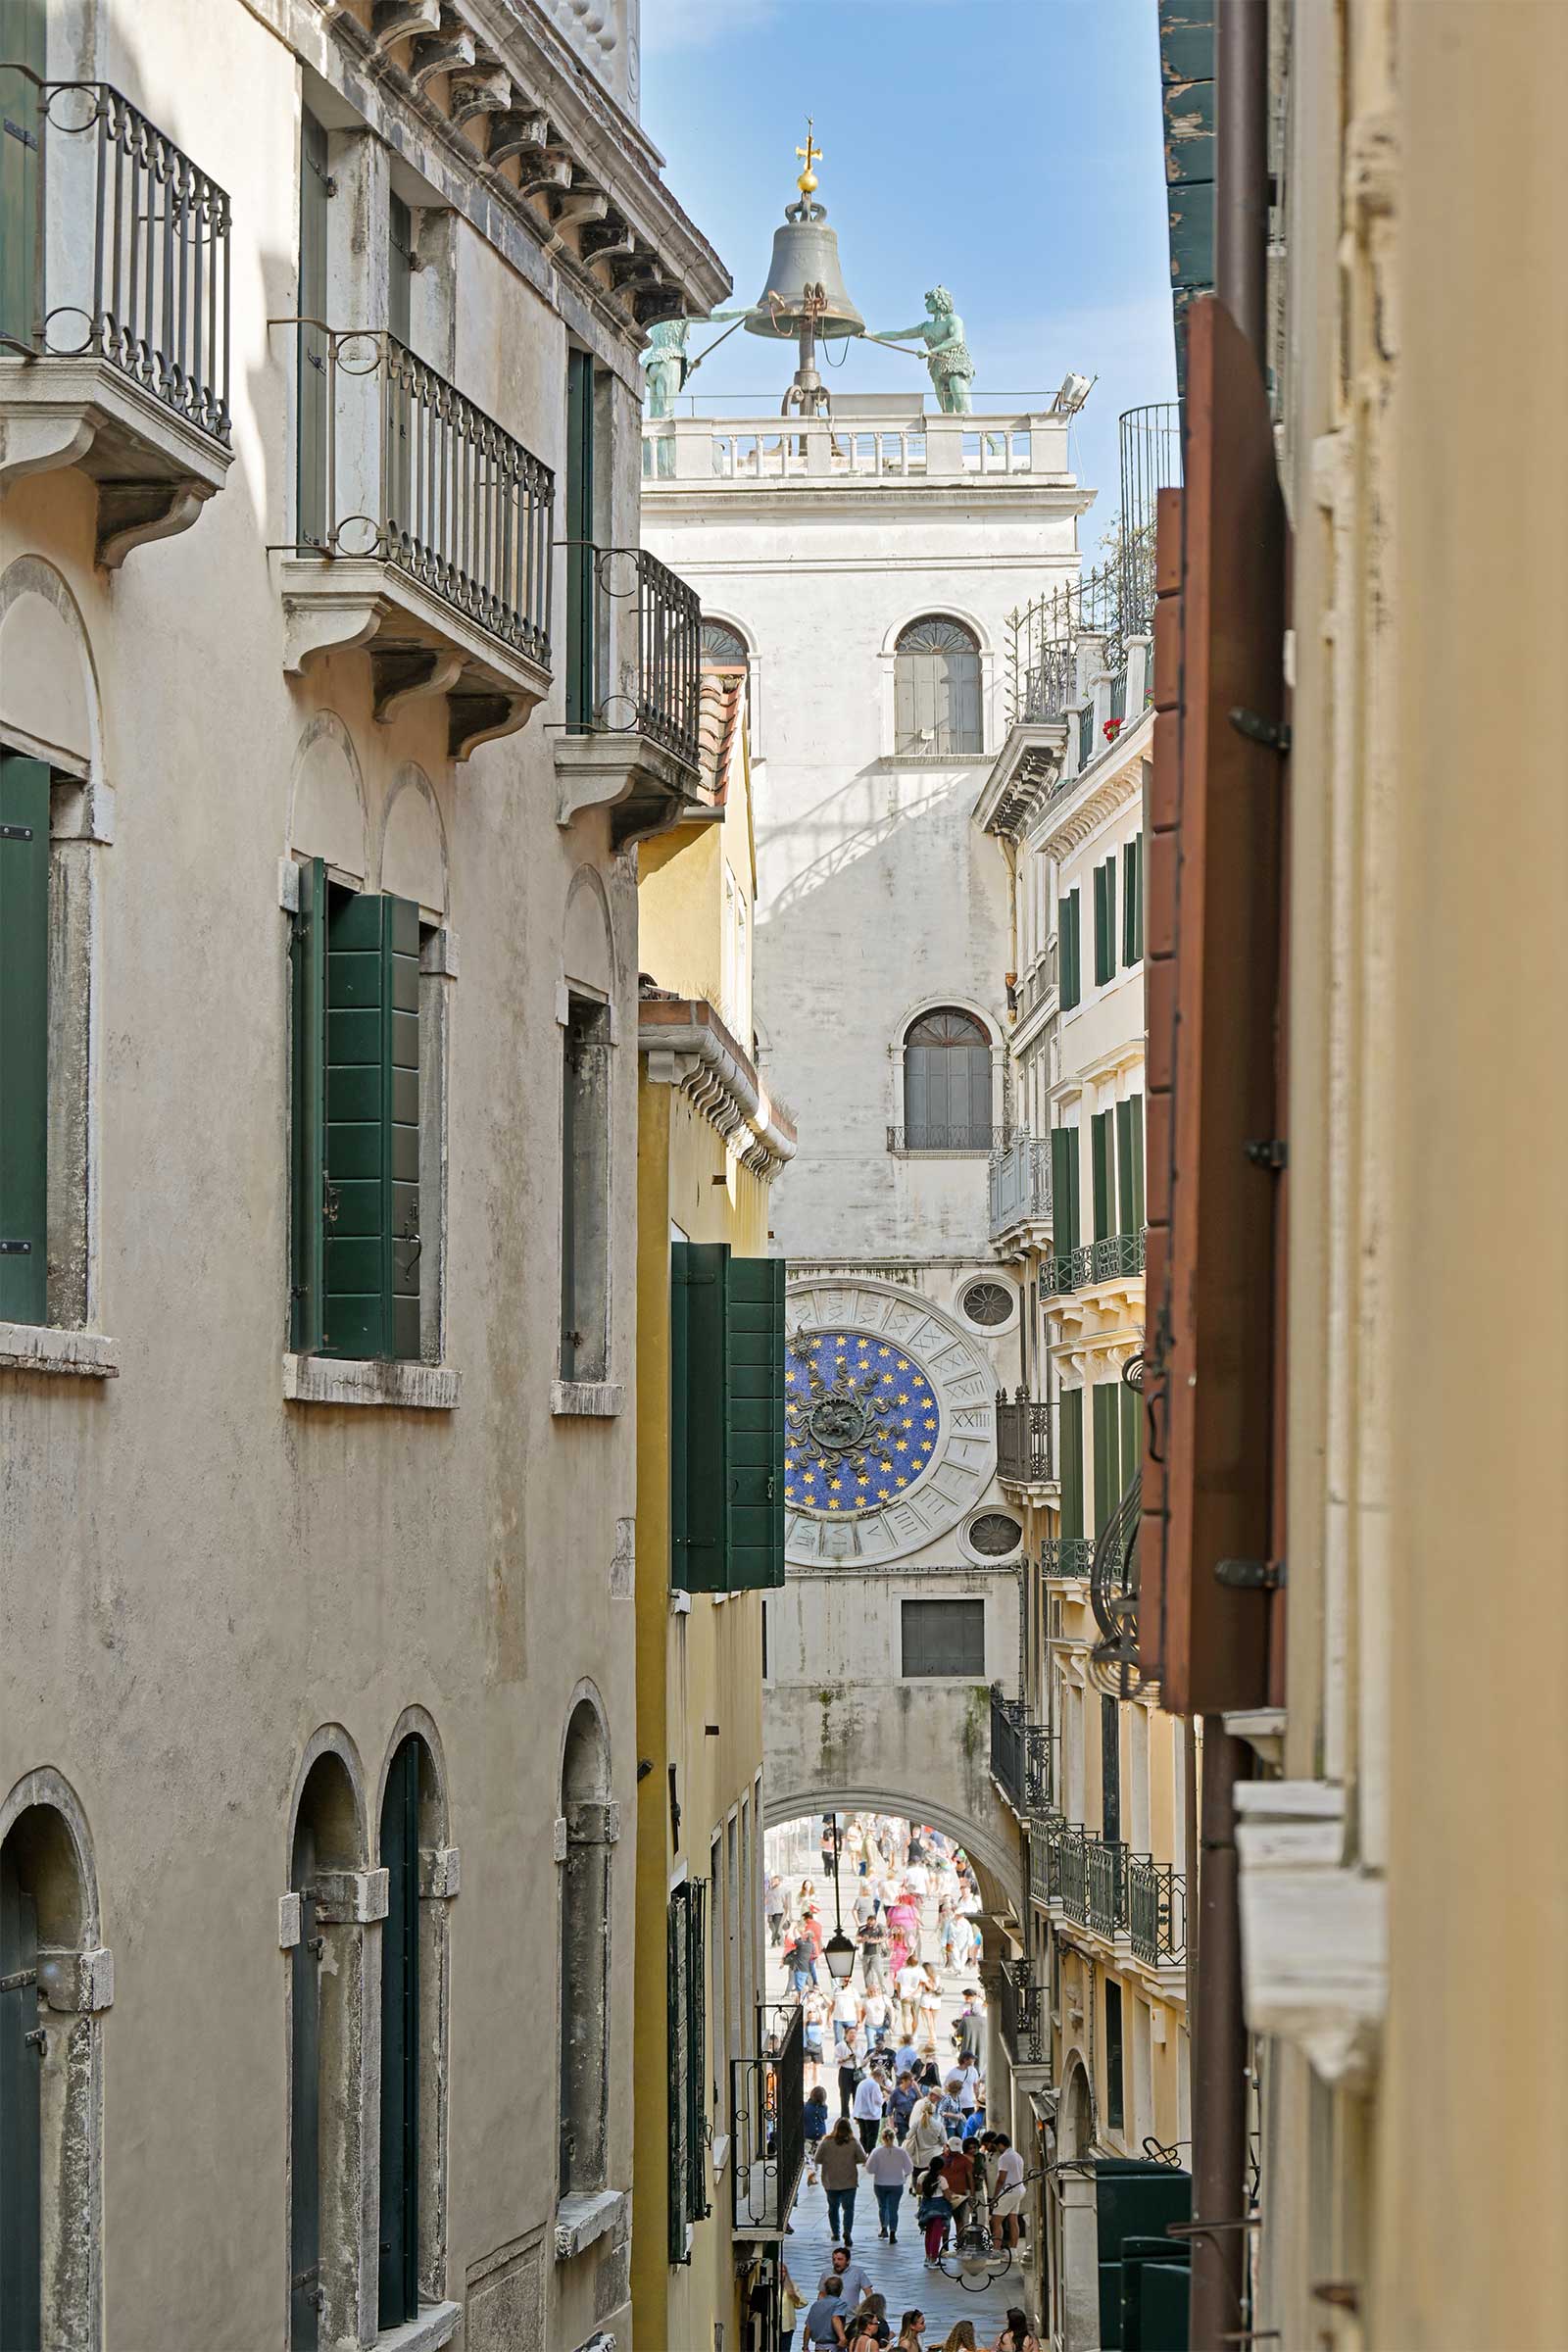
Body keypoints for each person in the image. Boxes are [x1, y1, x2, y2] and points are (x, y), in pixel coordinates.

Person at [817, 2118, 866, 2248]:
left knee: (833, 2208)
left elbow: (817, 2159)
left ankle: (835, 2232)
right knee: (848, 2209)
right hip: (849, 2182)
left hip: (831, 2181)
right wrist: (852, 2160)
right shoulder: (853, 2143)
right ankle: (847, 2232)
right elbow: (863, 2158)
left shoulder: (826, 2142)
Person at [864, 2122, 913, 2242]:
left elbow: (869, 2169)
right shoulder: (901, 2152)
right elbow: (909, 2168)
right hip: (896, 2184)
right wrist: (903, 2175)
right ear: (893, 2137)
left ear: (882, 2138)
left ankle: (884, 2228)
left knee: (883, 2207)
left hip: (880, 2183)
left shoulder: (877, 2152)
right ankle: (893, 2232)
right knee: (893, 2208)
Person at [990, 2133, 1025, 2251]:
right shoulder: (1017, 2156)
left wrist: (995, 2197)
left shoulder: (1004, 2157)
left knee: (995, 2221)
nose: (997, 2150)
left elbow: (1001, 2179)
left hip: (1009, 2191)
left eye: (997, 2147)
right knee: (1013, 2220)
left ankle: (996, 2251)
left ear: (1001, 2145)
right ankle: (1013, 2252)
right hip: (1019, 2190)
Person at [915, 2156, 954, 2265]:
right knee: (936, 2234)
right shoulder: (941, 2179)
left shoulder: (922, 2176)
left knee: (929, 2232)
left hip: (927, 2206)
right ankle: (934, 2259)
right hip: (939, 2208)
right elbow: (947, 2196)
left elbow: (918, 2191)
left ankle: (928, 2257)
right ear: (941, 2168)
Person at [941, 2137, 976, 2234]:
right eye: (953, 2150)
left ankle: (960, 2241)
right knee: (945, 2222)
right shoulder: (940, 2159)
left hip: (960, 2196)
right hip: (944, 2196)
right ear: (947, 2147)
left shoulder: (964, 2160)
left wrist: (972, 2194)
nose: (955, 2153)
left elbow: (970, 2177)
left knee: (959, 2220)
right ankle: (945, 2242)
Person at [905, 2088, 946, 2170]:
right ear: (932, 2095)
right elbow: (943, 2141)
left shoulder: (920, 2104)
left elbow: (909, 2134)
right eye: (938, 2098)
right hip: (931, 2155)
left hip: (918, 2156)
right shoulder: (938, 2124)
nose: (938, 2101)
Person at [824, 2245, 874, 2311]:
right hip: (831, 2314)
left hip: (851, 2315)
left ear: (848, 2261)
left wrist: (867, 2310)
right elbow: (822, 2294)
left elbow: (869, 2293)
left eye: (839, 2259)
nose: (836, 2262)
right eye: (834, 2259)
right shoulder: (827, 2274)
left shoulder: (858, 2273)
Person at [803, 2277, 847, 2350]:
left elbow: (808, 2327)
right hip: (833, 2347)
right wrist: (842, 2338)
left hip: (818, 2347)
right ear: (841, 2289)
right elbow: (835, 2318)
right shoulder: (839, 2304)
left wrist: (805, 2347)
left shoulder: (816, 2305)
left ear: (825, 2290)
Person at [852, 2066, 886, 2152]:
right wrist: (885, 2098)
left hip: (861, 2114)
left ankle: (863, 2154)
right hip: (872, 2115)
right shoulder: (874, 2085)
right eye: (882, 2079)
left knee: (863, 2136)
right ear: (880, 2077)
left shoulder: (862, 2082)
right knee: (872, 2137)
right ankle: (870, 2155)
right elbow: (878, 2101)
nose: (882, 2082)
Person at [804, 2083, 831, 2180]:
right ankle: (815, 2173)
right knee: (817, 2154)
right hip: (820, 2135)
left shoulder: (806, 2107)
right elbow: (825, 2117)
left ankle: (811, 2171)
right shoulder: (824, 2108)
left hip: (808, 2134)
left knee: (808, 2154)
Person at [779, 2260, 805, 2352]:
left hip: (787, 2325)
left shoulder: (792, 2285)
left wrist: (793, 2295)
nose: (782, 2274)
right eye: (780, 2271)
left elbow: (802, 2303)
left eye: (784, 2271)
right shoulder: (772, 2285)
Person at [889, 2069, 919, 2143]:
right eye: (910, 2080)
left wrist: (917, 2089)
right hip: (900, 2120)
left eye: (912, 2080)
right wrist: (892, 2126)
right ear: (904, 2080)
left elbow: (921, 2101)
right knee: (903, 2141)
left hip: (911, 2119)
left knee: (911, 2141)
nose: (912, 2082)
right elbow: (889, 2109)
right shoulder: (896, 2093)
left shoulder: (912, 2090)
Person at [835, 2034, 859, 2123]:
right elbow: (837, 2060)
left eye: (855, 2033)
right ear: (846, 2034)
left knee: (857, 2094)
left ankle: (857, 2115)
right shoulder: (841, 2045)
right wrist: (847, 2058)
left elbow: (862, 2058)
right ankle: (845, 2115)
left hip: (856, 2071)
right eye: (851, 2033)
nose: (853, 2035)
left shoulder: (859, 2045)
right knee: (845, 2094)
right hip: (845, 2070)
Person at [767, 1873, 788, 1947]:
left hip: (778, 1912)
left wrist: (786, 1913)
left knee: (776, 1928)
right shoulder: (769, 1890)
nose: (773, 1882)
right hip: (770, 1912)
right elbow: (766, 1900)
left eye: (775, 1881)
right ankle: (778, 1939)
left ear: (779, 1882)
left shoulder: (782, 1891)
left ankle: (774, 1942)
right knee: (771, 1926)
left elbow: (785, 1903)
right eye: (773, 1881)